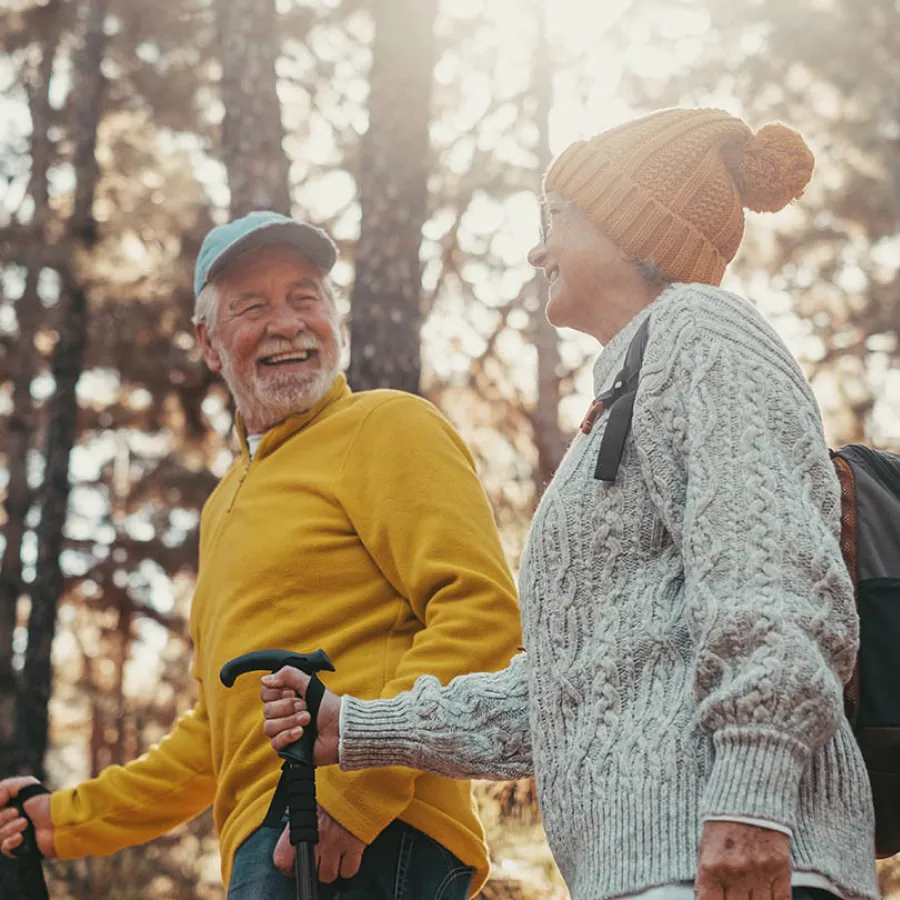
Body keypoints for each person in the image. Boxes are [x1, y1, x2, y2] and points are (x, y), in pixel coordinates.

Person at [259, 110, 879, 900]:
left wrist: (753, 800)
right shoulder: (617, 402)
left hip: (735, 861)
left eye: (557, 220)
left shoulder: (705, 332)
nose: (537, 248)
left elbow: (774, 575)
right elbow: (568, 690)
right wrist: (358, 727)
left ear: (630, 229)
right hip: (649, 872)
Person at [0, 210, 523, 899]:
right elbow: (216, 731)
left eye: (306, 297)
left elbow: (482, 614)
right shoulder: (224, 506)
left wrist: (355, 795)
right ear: (209, 343)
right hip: (268, 842)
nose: (287, 323)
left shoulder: (386, 425)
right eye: (253, 306)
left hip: (372, 830)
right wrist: (59, 823)